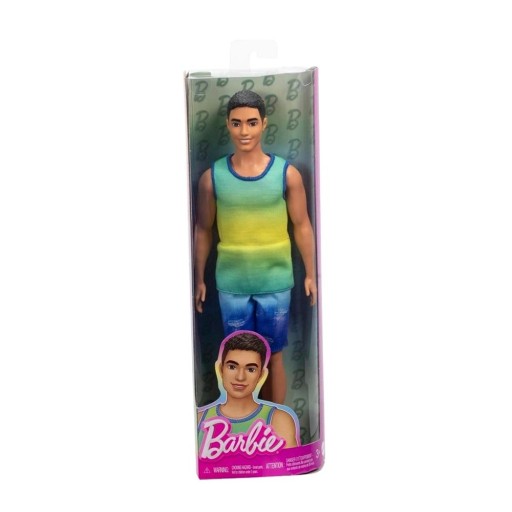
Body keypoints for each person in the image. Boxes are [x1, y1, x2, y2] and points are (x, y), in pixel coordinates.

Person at [194, 89, 317, 404]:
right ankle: (242, 422)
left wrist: (311, 274)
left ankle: (277, 419)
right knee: (237, 357)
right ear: (227, 124)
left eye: (251, 122)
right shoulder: (213, 178)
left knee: (273, 354)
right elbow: (203, 229)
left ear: (264, 123)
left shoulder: (286, 175)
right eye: (236, 123)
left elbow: (302, 225)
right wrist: (199, 278)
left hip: (275, 281)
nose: (244, 131)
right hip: (232, 283)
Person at [197, 331, 299, 451]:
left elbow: (289, 462)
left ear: (261, 375)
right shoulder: (199, 420)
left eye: (250, 369)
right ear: (221, 369)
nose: (240, 377)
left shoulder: (279, 421)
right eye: (232, 367)